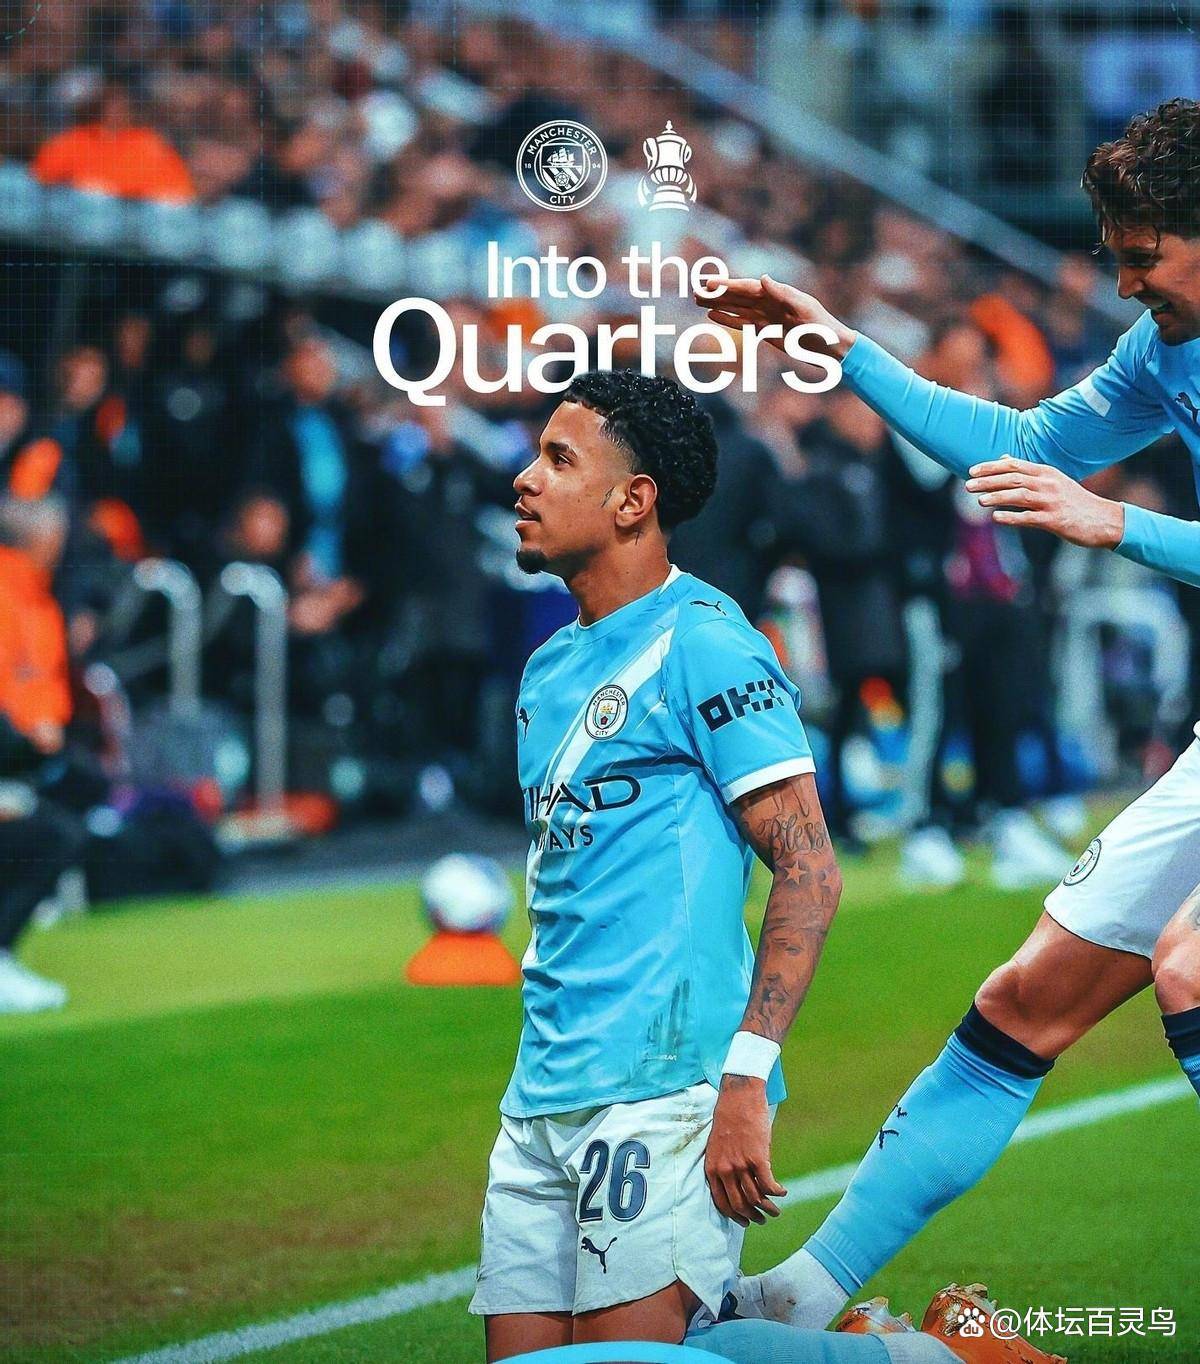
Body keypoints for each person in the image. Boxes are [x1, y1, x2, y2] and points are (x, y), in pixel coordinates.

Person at [695, 96, 1200, 1330]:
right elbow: (1022, 439)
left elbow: (1090, 501)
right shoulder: (1163, 352)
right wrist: (841, 349)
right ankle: (802, 1295)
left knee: (1191, 963)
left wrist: (1120, 523)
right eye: (1118, 258)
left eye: (1145, 255)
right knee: (1025, 998)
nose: (1128, 284)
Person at [469, 370, 842, 1359]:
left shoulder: (708, 644)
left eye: (559, 460)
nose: (525, 480)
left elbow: (809, 867)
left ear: (633, 501)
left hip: (666, 1091)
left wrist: (745, 1080)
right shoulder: (548, 668)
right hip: (541, 1093)